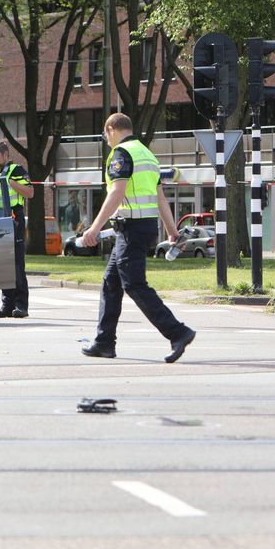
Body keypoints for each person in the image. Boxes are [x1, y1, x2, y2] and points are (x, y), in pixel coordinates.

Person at [79, 113, 196, 363]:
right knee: (111, 284)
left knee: (134, 284)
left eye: (105, 134)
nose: (106, 139)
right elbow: (160, 199)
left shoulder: (121, 154)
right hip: (143, 228)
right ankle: (104, 342)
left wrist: (93, 228)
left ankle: (178, 332)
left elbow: (117, 193)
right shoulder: (147, 154)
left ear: (111, 129)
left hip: (131, 230)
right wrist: (172, 232)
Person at [0, 140, 34, 319]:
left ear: (6, 155)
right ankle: (7, 305)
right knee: (3, 264)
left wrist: (11, 183)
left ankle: (21, 305)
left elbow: (30, 192)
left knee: (16, 264)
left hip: (13, 219)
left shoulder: (17, 170)